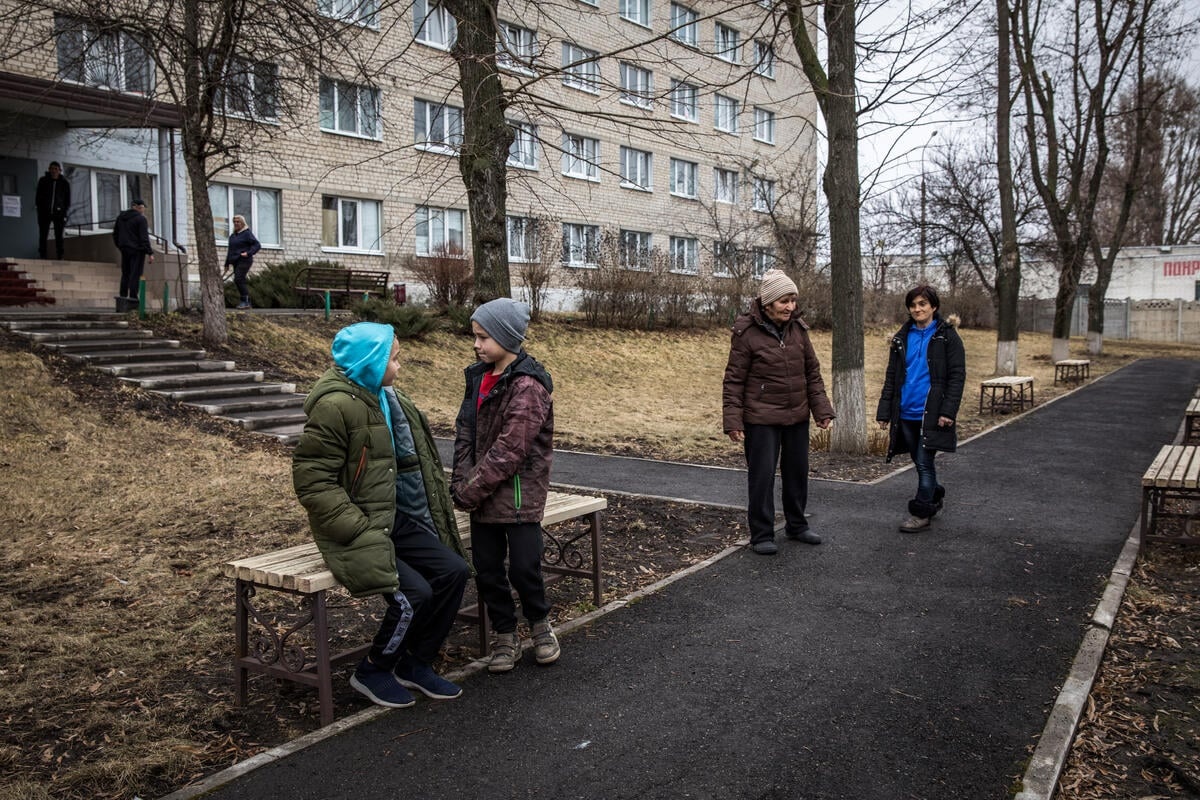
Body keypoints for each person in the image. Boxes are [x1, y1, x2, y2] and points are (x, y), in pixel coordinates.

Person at [292, 321, 470, 709]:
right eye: (394, 359)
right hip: (352, 528)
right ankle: (373, 668)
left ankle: (415, 663)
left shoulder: (382, 397)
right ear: (372, 362)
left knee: (453, 571)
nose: (399, 367)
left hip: (389, 518)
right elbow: (313, 483)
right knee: (413, 593)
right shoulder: (335, 406)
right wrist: (358, 529)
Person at [451, 298, 559, 673]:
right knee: (488, 568)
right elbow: (465, 432)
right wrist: (460, 479)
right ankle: (504, 633)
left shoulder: (528, 385)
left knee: (524, 568)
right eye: (475, 337)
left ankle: (540, 626)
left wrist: (470, 489)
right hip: (481, 494)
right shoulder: (478, 377)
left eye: (484, 337)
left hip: (517, 496)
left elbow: (512, 448)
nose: (477, 345)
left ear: (507, 338)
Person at [722, 269, 835, 555]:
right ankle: (761, 534)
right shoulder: (746, 333)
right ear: (768, 302)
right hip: (760, 419)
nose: (790, 307)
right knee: (761, 477)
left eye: (793, 301)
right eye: (784, 301)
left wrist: (822, 410)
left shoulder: (799, 330)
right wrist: (733, 420)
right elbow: (734, 379)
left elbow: (812, 372)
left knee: (797, 473)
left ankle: (797, 525)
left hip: (796, 415)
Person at [875, 285, 966, 533]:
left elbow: (957, 377)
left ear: (933, 307)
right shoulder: (901, 337)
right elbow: (892, 377)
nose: (917, 309)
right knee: (919, 461)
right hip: (905, 412)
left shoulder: (947, 337)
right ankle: (934, 493)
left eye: (922, 304)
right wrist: (884, 412)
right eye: (913, 305)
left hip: (932, 414)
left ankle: (921, 512)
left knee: (924, 463)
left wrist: (948, 412)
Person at [112, 199, 154, 302]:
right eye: (142, 208)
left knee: (125, 273)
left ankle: (123, 295)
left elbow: (115, 234)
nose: (143, 210)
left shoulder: (121, 218)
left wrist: (120, 245)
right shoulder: (140, 219)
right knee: (135, 273)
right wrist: (150, 252)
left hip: (124, 249)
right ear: (137, 207)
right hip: (137, 250)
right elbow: (144, 238)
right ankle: (133, 297)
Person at [35, 161, 70, 260]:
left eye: (56, 169)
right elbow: (38, 196)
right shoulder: (43, 181)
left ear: (60, 170)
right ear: (49, 170)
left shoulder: (64, 183)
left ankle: (60, 255)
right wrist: (40, 209)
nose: (54, 171)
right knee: (43, 234)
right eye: (52, 168)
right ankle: (43, 254)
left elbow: (67, 199)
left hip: (59, 212)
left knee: (59, 235)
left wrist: (64, 211)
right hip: (44, 212)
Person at [225, 214, 261, 309]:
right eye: (235, 222)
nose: (236, 223)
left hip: (245, 260)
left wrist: (248, 253)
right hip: (235, 260)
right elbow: (230, 250)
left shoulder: (247, 233)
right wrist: (226, 263)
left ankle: (245, 301)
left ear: (242, 223)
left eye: (238, 222)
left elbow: (257, 245)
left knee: (239, 279)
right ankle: (247, 301)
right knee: (239, 280)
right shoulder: (232, 236)